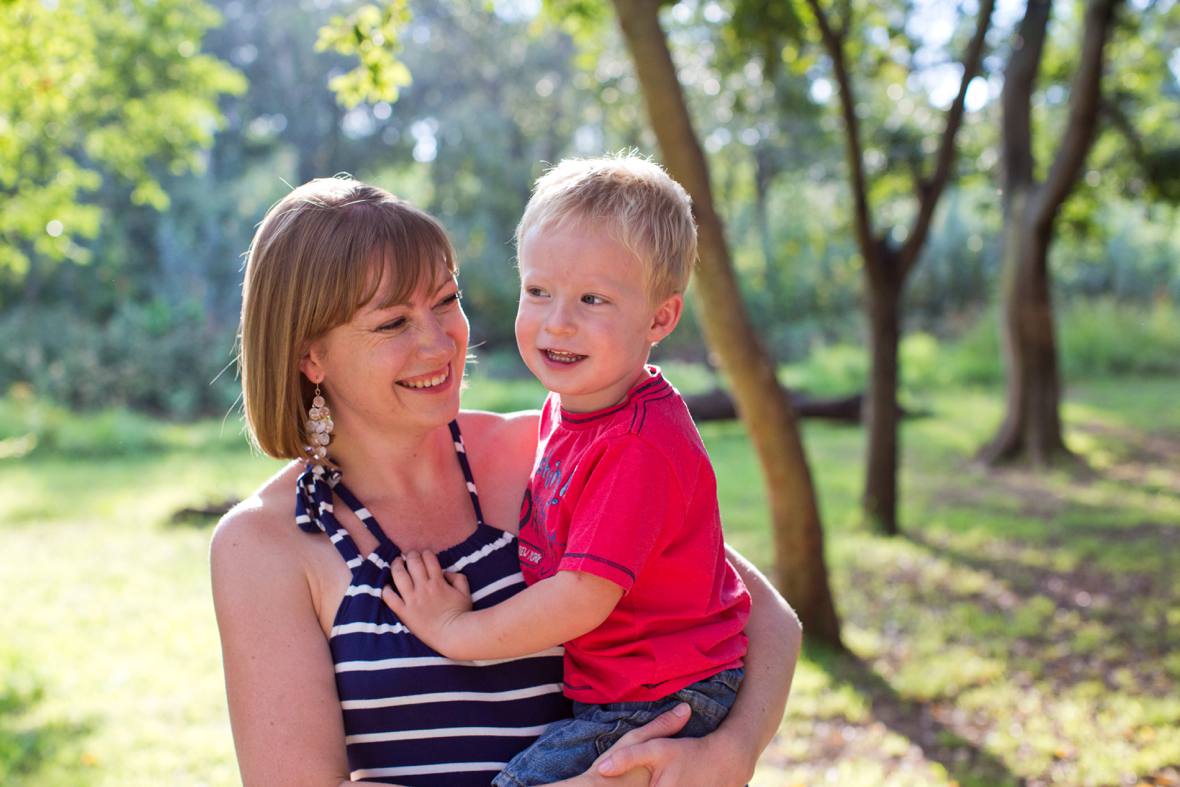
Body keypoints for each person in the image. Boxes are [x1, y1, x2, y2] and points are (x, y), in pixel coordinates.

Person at [211, 175, 802, 787]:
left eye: (445, 300)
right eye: (393, 324)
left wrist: (732, 751)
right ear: (311, 356)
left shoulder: (548, 450)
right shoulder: (265, 543)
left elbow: (766, 618)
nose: (440, 343)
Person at [384, 155, 752, 787]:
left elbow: (581, 597)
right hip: (630, 688)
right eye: (538, 291)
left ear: (661, 318)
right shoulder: (576, 409)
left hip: (664, 695)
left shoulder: (637, 444)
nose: (558, 321)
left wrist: (454, 630)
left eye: (593, 298)